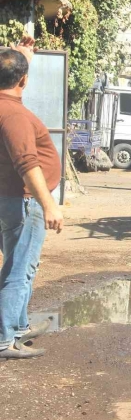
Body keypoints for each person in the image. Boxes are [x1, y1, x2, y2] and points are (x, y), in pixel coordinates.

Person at [0, 36, 64, 359]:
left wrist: (21, 59)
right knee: (19, 267)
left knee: (20, 262)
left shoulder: (5, 106)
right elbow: (27, 163)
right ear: (23, 81)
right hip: (25, 199)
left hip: (12, 199)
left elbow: (10, 78)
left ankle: (18, 326)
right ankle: (4, 337)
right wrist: (49, 203)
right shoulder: (15, 116)